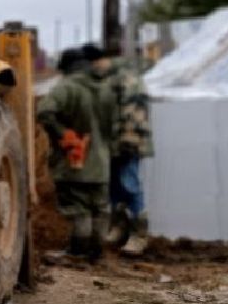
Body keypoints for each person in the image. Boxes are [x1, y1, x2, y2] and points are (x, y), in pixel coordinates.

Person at [37, 47, 117, 261]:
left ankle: (78, 252)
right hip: (101, 162)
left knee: (78, 207)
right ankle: (97, 252)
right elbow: (115, 126)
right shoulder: (107, 88)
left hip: (74, 162)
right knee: (100, 207)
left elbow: (44, 112)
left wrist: (64, 135)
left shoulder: (67, 87)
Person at [92, 52, 155, 255]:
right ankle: (120, 228)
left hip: (128, 140)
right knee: (115, 186)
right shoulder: (114, 78)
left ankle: (139, 235)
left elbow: (126, 115)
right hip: (116, 142)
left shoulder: (126, 79)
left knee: (130, 184)